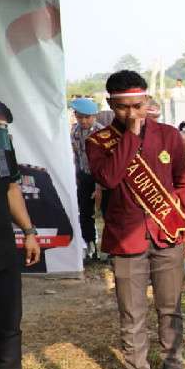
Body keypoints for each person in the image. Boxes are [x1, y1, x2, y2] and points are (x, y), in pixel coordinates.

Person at [86, 70, 185, 369]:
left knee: (170, 307)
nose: (132, 113)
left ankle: (173, 367)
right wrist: (132, 137)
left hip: (167, 234)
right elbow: (109, 177)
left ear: (147, 100)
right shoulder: (98, 142)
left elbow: (182, 181)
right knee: (132, 312)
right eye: (124, 107)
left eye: (138, 106)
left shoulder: (169, 136)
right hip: (126, 239)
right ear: (111, 105)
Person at [0, 100, 42, 369]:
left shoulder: (2, 147)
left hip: (2, 246)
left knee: (9, 319)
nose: (1, 132)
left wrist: (29, 231)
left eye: (3, 128)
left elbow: (11, 188)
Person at [70, 98, 104, 260]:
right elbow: (76, 154)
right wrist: (77, 175)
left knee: (106, 212)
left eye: (87, 117)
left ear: (94, 116)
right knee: (85, 213)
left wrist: (99, 186)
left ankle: (110, 251)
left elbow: (106, 161)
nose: (83, 121)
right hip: (84, 176)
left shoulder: (102, 132)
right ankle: (90, 247)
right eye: (80, 117)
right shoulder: (75, 131)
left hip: (102, 178)